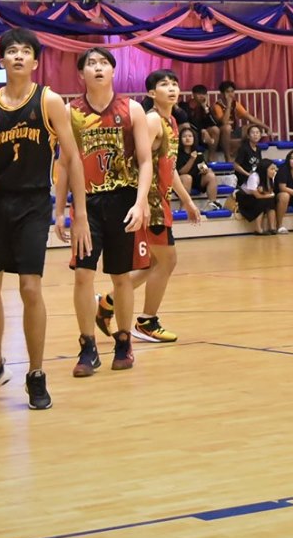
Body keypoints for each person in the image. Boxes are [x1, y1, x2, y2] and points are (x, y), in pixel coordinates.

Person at [0, 28, 85, 411]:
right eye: (12, 51)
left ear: (36, 61)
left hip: (33, 203)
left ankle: (36, 374)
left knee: (29, 288)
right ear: (2, 60)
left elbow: (72, 158)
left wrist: (78, 212)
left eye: (26, 51)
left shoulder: (50, 102)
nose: (19, 56)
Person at [65, 48, 152, 379]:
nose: (98, 68)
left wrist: (141, 202)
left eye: (104, 63)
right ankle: (87, 345)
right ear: (81, 74)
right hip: (86, 203)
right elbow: (65, 162)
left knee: (121, 276)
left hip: (124, 200)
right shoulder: (71, 112)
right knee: (82, 274)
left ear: (113, 71)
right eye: (91, 64)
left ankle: (123, 341)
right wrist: (60, 210)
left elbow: (145, 160)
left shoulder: (132, 109)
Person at [98, 70, 202, 345]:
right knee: (167, 261)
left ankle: (109, 302)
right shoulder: (153, 120)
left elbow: (170, 167)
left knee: (153, 264)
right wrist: (139, 200)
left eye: (174, 83)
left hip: (161, 199)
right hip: (149, 202)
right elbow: (135, 160)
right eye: (164, 85)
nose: (172, 88)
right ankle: (146, 322)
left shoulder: (172, 122)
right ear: (152, 93)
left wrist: (187, 200)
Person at [212, 79, 268, 146]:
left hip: (234, 131)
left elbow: (250, 118)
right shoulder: (217, 106)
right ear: (222, 93)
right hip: (223, 133)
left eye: (232, 91)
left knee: (254, 127)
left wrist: (266, 127)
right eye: (227, 92)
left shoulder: (235, 104)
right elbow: (224, 122)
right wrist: (229, 105)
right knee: (227, 128)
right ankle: (232, 145)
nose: (230, 94)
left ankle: (245, 146)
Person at [236, 157, 284, 234]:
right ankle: (258, 229)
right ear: (264, 169)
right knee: (262, 201)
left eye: (274, 169)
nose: (274, 171)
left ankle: (272, 227)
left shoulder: (271, 177)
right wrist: (269, 195)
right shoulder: (254, 177)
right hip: (245, 198)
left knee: (271, 201)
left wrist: (268, 194)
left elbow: (269, 192)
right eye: (272, 169)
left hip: (258, 197)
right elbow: (258, 196)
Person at [174, 124, 215, 207]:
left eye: (190, 136)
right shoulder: (178, 153)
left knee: (210, 175)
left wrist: (205, 170)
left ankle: (213, 204)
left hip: (196, 180)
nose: (187, 138)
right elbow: (181, 172)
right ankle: (184, 207)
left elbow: (202, 167)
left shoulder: (198, 153)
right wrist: (192, 159)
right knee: (187, 178)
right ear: (180, 139)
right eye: (184, 136)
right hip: (181, 181)